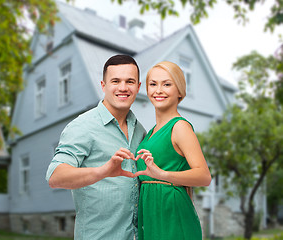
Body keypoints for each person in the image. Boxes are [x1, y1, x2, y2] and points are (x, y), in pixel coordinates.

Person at [45, 54, 146, 240]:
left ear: (138, 87)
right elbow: (55, 176)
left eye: (129, 81)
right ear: (103, 85)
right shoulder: (83, 126)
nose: (123, 88)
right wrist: (104, 171)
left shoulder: (139, 130)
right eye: (115, 81)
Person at [135, 61, 212, 240]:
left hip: (172, 214)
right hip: (152, 214)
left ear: (180, 91)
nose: (158, 90)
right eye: (153, 84)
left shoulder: (180, 127)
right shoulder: (150, 133)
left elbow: (204, 176)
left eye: (167, 84)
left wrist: (163, 174)